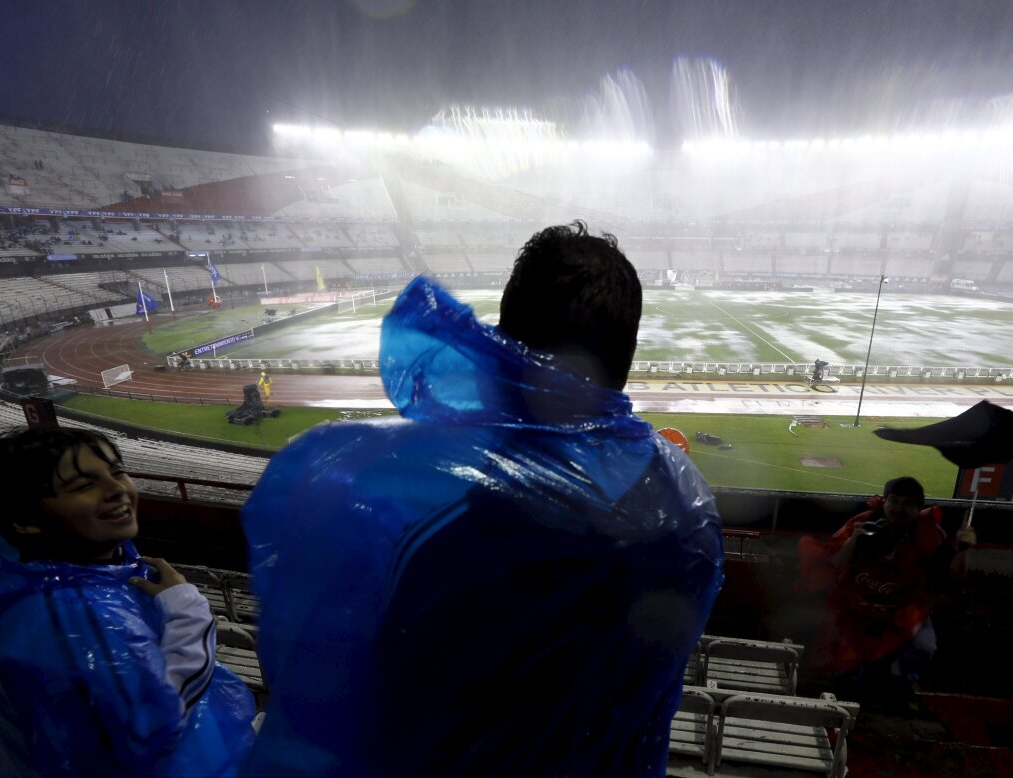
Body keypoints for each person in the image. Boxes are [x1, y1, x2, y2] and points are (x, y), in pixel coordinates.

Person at [240, 221, 724, 777]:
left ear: (507, 352)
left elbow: (370, 710)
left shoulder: (439, 536)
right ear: (627, 351)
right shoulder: (690, 510)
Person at [0, 428, 256, 777]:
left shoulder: (73, 582)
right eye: (84, 486)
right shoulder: (74, 616)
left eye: (117, 471)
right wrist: (189, 612)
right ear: (24, 521)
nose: (117, 490)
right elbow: (150, 728)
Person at [798, 476, 975, 695]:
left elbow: (954, 577)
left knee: (924, 647)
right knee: (847, 670)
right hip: (856, 606)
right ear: (884, 501)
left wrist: (964, 550)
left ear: (919, 509)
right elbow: (835, 562)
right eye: (893, 500)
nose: (898, 509)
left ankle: (900, 681)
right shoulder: (863, 523)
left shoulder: (929, 536)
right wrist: (854, 540)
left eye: (908, 504)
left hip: (902, 609)